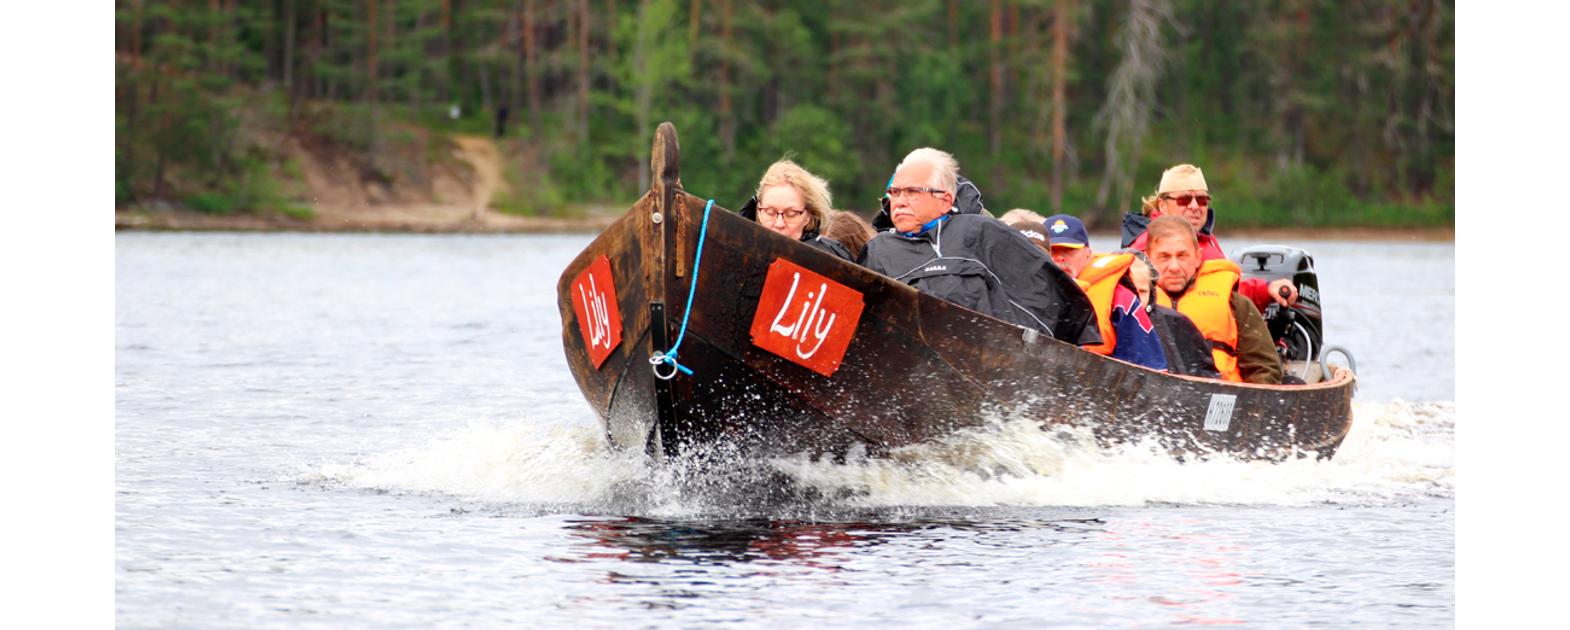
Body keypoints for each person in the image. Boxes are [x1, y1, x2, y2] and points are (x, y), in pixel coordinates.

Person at [859, 148, 1098, 344]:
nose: (899, 201)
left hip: (986, 360)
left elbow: (1047, 293)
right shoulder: (877, 250)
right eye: (895, 192)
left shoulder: (979, 232)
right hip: (909, 360)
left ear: (945, 200)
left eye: (912, 192)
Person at [1122, 164, 1297, 310]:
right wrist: (1265, 290)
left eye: (1202, 200)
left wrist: (1268, 290)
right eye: (1184, 199)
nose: (1194, 206)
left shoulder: (1206, 240)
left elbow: (1224, 287)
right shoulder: (1149, 243)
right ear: (1162, 205)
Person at [1146, 215, 1283, 384]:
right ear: (1148, 258)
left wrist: (1246, 404)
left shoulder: (1235, 304)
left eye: (1182, 256)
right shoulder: (1133, 304)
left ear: (1197, 257)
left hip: (1223, 400)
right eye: (1164, 257)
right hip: (1154, 397)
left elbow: (1265, 369)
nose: (1174, 267)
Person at [738, 160, 854, 261]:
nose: (779, 224)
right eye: (770, 212)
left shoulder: (830, 260)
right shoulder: (736, 249)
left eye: (791, 214)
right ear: (758, 211)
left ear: (809, 216)